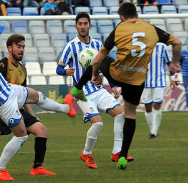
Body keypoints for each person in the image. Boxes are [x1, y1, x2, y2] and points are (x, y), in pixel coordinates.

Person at [0, 21, 75, 180]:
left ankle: (67, 108)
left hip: (9, 89)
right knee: (21, 135)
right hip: (3, 101)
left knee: (36, 96)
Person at [70, 2, 182, 169]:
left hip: (119, 74)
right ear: (136, 14)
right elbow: (178, 42)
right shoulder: (151, 29)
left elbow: (97, 59)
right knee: (130, 115)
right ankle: (122, 157)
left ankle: (77, 88)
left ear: (122, 17)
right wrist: (173, 63)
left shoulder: (120, 28)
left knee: (101, 61)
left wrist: (94, 76)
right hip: (137, 80)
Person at [56, 12, 134, 169]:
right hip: (82, 94)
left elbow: (106, 67)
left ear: (90, 26)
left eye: (85, 24)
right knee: (98, 124)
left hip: (98, 89)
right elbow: (59, 68)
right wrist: (66, 71)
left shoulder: (98, 45)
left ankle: (117, 152)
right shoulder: (71, 46)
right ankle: (86, 153)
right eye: (80, 24)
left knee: (120, 115)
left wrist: (112, 85)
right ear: (76, 26)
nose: (83, 27)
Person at [140, 42, 176, 139]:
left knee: (157, 105)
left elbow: (169, 63)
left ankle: (153, 132)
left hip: (159, 82)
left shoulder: (162, 46)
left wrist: (172, 79)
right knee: (147, 107)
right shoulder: (141, 46)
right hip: (145, 83)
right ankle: (152, 129)